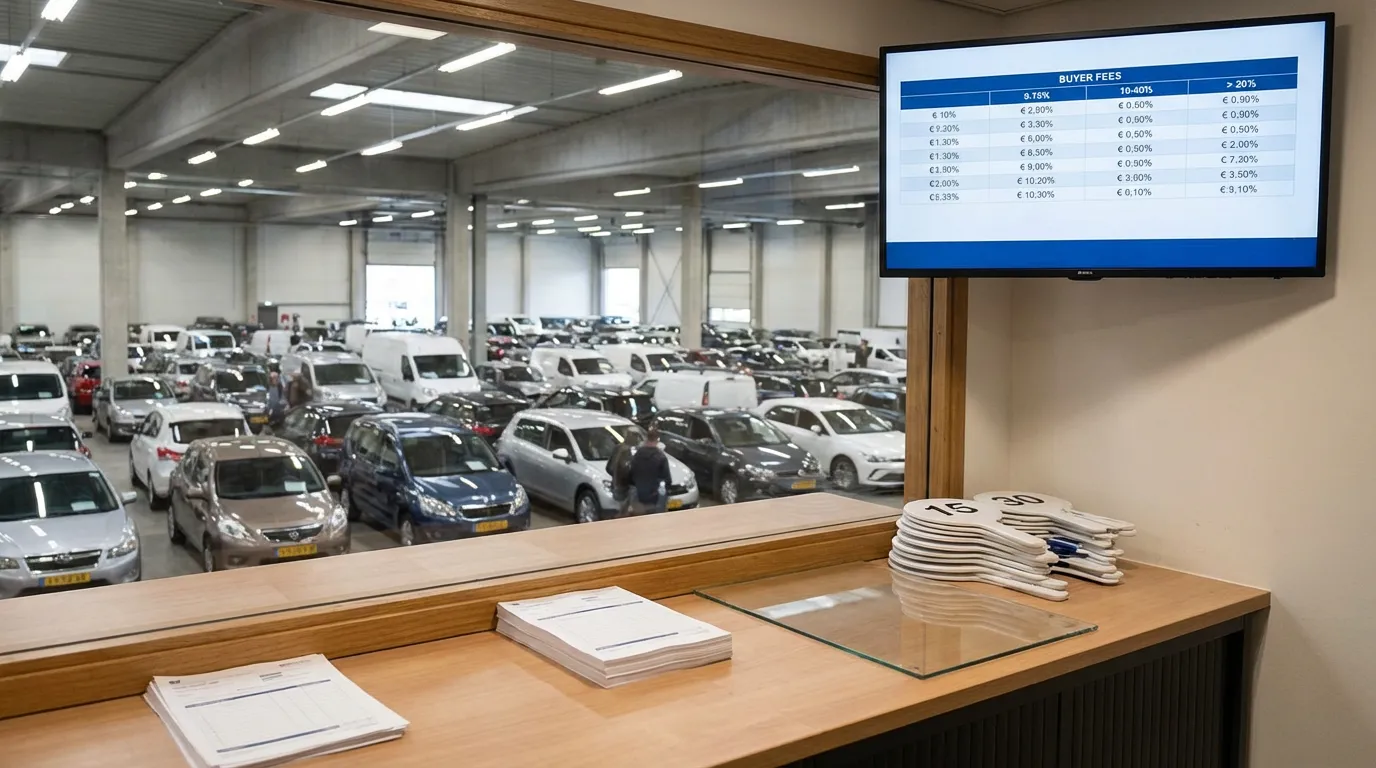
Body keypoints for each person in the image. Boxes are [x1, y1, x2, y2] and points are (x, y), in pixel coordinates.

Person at [626, 428, 673, 515]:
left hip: (638, 496)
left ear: (647, 438)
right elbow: (667, 480)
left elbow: (630, 474)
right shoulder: (661, 457)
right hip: (654, 498)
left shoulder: (637, 455)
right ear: (658, 440)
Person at [605, 428, 645, 518]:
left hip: (618, 486)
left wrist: (615, 477)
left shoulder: (618, 448)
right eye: (636, 436)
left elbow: (609, 468)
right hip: (629, 489)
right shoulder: (634, 451)